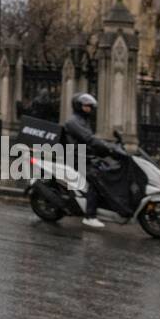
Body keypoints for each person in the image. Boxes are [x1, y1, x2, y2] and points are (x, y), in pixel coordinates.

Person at [61, 92, 122, 229]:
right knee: (96, 179)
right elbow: (89, 139)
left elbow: (90, 139)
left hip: (84, 155)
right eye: (86, 106)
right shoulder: (73, 122)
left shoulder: (82, 120)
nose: (89, 108)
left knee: (106, 171)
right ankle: (90, 216)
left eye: (90, 106)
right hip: (75, 157)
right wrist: (107, 147)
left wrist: (108, 146)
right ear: (78, 106)